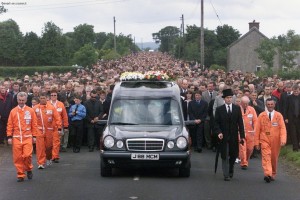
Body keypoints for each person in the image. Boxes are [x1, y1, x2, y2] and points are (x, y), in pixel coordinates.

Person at [214, 88, 245, 181]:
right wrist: (218, 132)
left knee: (233, 155)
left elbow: (240, 123)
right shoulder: (219, 109)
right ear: (224, 98)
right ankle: (226, 174)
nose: (229, 99)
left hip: (234, 136)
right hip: (223, 136)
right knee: (225, 155)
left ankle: (231, 169)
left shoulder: (237, 108)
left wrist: (242, 136)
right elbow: (216, 123)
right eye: (227, 97)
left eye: (230, 97)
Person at [6, 92, 38, 182]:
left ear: (26, 100)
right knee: (18, 157)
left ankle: (28, 169)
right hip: (16, 137)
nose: (21, 102)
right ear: (17, 100)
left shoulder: (30, 111)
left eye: (23, 100)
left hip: (27, 137)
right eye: (19, 100)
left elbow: (34, 124)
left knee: (27, 155)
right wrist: (9, 137)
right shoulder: (13, 111)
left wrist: (34, 136)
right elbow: (9, 125)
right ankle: (20, 174)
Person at [255, 98, 286, 183]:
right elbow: (257, 129)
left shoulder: (279, 115)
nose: (270, 106)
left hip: (276, 141)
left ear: (274, 105)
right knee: (266, 157)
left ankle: (273, 173)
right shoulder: (261, 115)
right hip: (264, 140)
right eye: (268, 104)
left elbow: (282, 128)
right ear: (266, 105)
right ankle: (267, 174)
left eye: (271, 104)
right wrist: (256, 142)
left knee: (273, 158)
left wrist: (283, 139)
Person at [33, 92, 62, 169]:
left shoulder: (51, 108)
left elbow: (57, 118)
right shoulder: (35, 108)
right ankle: (41, 163)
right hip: (39, 130)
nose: (42, 99)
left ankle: (49, 158)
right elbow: (32, 120)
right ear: (39, 99)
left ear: (47, 99)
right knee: (40, 147)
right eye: (41, 98)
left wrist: (59, 128)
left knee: (49, 147)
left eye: (44, 98)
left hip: (49, 130)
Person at [49, 89, 69, 162]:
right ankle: (49, 156)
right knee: (49, 143)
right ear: (50, 96)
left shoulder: (61, 104)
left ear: (57, 96)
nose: (53, 96)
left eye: (55, 95)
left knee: (56, 142)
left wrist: (66, 126)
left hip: (58, 127)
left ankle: (55, 156)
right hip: (48, 127)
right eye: (52, 95)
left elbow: (65, 116)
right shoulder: (47, 104)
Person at [239, 96, 257, 170]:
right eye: (244, 103)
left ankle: (246, 160)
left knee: (250, 149)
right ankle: (244, 163)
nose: (245, 105)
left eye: (247, 103)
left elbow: (255, 121)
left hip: (250, 132)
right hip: (240, 132)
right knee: (242, 148)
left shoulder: (252, 109)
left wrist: (255, 129)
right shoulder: (237, 109)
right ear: (241, 103)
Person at [284, 84, 300, 151]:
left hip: (299, 117)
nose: (296, 92)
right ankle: (295, 147)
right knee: (293, 133)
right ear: (293, 91)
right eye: (295, 91)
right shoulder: (289, 98)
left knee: (299, 132)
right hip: (291, 118)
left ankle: (298, 144)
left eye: (297, 91)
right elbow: (286, 108)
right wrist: (286, 117)